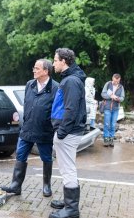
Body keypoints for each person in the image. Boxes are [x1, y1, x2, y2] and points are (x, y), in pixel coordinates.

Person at [1, 59, 59, 197]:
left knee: (46, 158)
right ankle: (16, 186)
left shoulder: (56, 87)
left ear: (46, 71)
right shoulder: (30, 84)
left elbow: (57, 110)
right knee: (20, 155)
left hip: (45, 130)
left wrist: (53, 127)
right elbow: (27, 105)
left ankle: (46, 185)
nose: (34, 70)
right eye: (34, 68)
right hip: (27, 129)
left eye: (37, 68)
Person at [49, 48, 86, 218]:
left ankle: (71, 210)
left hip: (68, 133)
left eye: (55, 60)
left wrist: (61, 132)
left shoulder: (71, 81)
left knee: (67, 169)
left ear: (64, 61)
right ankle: (68, 202)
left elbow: (71, 109)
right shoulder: (70, 78)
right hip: (69, 131)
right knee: (67, 167)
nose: (53, 63)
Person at [101, 73, 125, 147]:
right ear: (112, 78)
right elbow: (103, 94)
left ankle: (111, 140)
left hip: (115, 108)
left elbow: (122, 98)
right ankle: (106, 140)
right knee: (107, 124)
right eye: (114, 81)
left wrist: (117, 99)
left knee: (113, 125)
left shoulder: (121, 87)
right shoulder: (108, 84)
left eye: (117, 81)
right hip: (107, 108)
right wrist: (111, 96)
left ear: (119, 80)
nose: (115, 83)